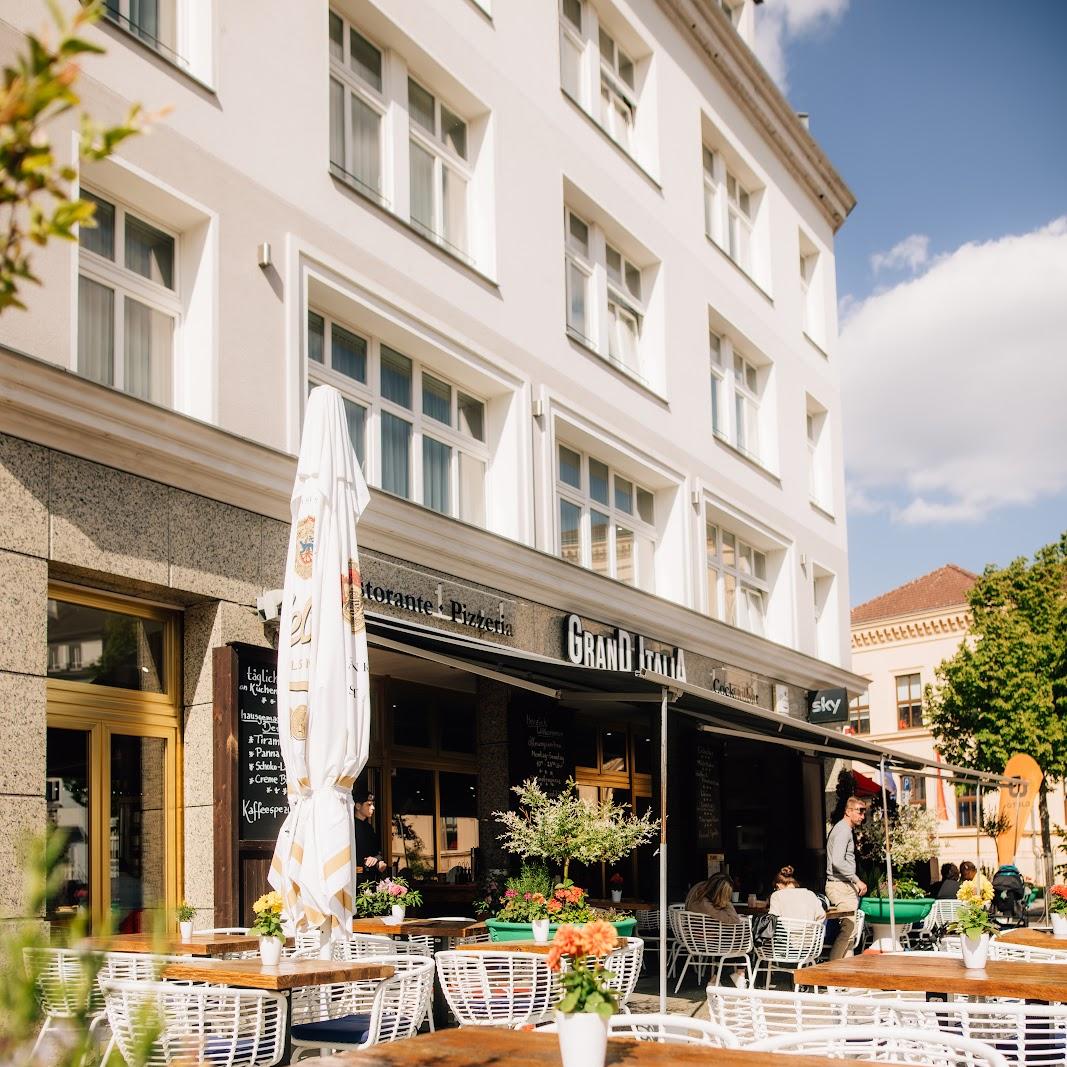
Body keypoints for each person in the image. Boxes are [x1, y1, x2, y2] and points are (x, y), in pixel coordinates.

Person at [824, 796, 868, 959]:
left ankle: (846, 978)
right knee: (848, 930)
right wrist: (856, 880)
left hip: (844, 885)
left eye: (864, 812)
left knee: (851, 933)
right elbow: (837, 861)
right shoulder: (843, 830)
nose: (862, 816)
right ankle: (832, 974)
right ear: (848, 811)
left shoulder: (844, 830)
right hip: (840, 886)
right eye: (859, 812)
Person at [353, 789, 388, 876]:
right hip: (355, 877)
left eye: (372, 804)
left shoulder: (369, 828)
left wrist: (376, 859)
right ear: (358, 806)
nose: (373, 807)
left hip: (369, 877)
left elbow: (377, 852)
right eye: (369, 805)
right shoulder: (349, 827)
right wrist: (365, 860)